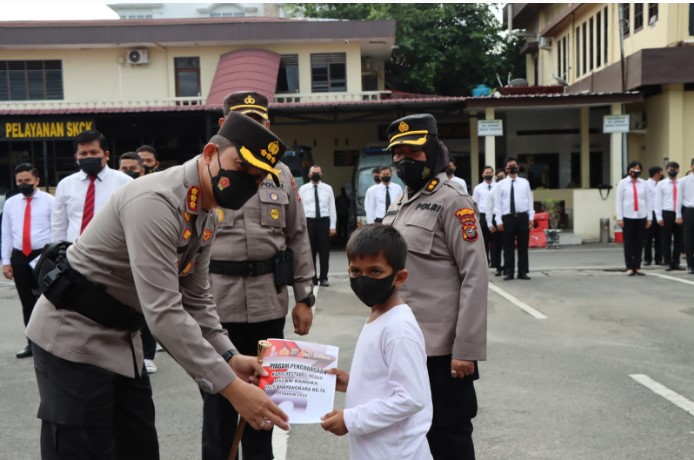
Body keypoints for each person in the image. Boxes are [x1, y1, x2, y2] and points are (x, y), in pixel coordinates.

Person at [25, 112, 290, 460]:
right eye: (241, 167)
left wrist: (229, 356)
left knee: (139, 448)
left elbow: (196, 299)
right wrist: (231, 388)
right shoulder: (156, 201)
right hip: (73, 340)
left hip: (122, 343)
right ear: (210, 153)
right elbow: (164, 312)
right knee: (85, 449)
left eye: (257, 178)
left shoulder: (206, 213)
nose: (247, 183)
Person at [202, 91, 315, 460]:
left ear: (269, 126)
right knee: (219, 401)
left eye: (260, 121)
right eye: (243, 120)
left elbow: (297, 236)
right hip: (217, 305)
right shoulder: (207, 168)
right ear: (223, 126)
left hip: (269, 300)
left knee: (265, 401)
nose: (255, 128)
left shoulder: (281, 173)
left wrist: (303, 298)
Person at [382, 113, 488, 460]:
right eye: (397, 154)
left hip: (443, 353)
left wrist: (465, 348)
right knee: (412, 436)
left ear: (433, 150)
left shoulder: (453, 201)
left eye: (412, 153)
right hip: (405, 347)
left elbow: (474, 275)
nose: (402, 161)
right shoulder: (399, 204)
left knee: (450, 438)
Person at [321, 224, 432, 460]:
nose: (364, 280)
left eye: (375, 272)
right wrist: (354, 383)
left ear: (399, 277)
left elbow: (410, 398)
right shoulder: (379, 314)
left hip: (396, 453)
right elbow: (389, 382)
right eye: (355, 272)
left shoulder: (399, 328)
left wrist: (350, 419)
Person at [1, 163, 54, 358]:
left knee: (47, 301)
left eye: (27, 181)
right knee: (27, 302)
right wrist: (6, 261)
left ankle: (50, 343)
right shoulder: (11, 203)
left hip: (43, 255)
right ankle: (32, 343)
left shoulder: (50, 201)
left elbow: (55, 230)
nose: (23, 184)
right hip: (20, 257)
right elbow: (6, 233)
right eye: (20, 181)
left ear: (37, 181)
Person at [51, 130, 133, 243]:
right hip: (73, 253)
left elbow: (132, 223)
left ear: (106, 155)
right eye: (83, 154)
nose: (89, 157)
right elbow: (58, 226)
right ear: (76, 157)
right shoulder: (65, 185)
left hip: (111, 253)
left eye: (94, 152)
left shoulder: (125, 183)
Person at [118, 151, 159, 374]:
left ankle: (149, 354)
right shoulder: (117, 191)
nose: (128, 172)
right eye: (123, 169)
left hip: (145, 256)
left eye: (132, 169)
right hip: (121, 258)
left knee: (148, 307)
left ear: (142, 170)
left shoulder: (153, 191)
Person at [494, 157, 535, 281]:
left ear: (518, 167)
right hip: (507, 218)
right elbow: (498, 204)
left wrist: (531, 217)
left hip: (522, 216)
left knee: (523, 246)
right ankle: (509, 272)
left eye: (514, 165)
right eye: (509, 166)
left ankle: (523, 272)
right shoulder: (500, 184)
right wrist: (499, 221)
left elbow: (529, 200)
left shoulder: (524, 182)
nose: (512, 168)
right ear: (506, 168)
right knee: (508, 247)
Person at [299, 165, 336, 286]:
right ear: (309, 175)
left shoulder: (327, 188)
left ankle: (323, 277)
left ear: (322, 174)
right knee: (310, 252)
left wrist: (333, 226)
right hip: (309, 222)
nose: (316, 174)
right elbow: (300, 209)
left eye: (318, 173)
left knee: (324, 252)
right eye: (313, 173)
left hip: (324, 222)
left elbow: (332, 208)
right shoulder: (303, 189)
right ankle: (312, 277)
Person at [616, 161, 652, 276]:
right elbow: (619, 201)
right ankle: (629, 266)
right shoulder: (623, 183)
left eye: (638, 169)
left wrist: (649, 218)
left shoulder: (644, 184)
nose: (635, 171)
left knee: (639, 242)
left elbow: (648, 201)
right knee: (629, 242)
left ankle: (637, 266)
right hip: (628, 216)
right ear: (629, 170)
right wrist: (619, 218)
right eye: (633, 168)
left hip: (641, 216)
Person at [655, 161, 684, 271]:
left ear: (678, 170)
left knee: (679, 239)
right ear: (667, 170)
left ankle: (676, 262)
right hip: (667, 213)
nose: (673, 171)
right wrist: (659, 217)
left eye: (675, 169)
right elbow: (657, 201)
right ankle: (667, 262)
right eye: (671, 169)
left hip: (679, 214)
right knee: (666, 239)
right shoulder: (661, 184)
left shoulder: (681, 183)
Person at [472, 166, 495, 266]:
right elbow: (475, 203)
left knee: (495, 241)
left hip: (495, 215)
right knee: (484, 241)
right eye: (486, 172)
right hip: (482, 215)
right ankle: (486, 262)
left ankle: (495, 262)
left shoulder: (498, 186)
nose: (488, 174)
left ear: (493, 174)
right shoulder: (478, 188)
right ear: (482, 174)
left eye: (490, 172)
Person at [643, 166, 663, 266]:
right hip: (649, 213)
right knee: (648, 238)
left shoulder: (661, 184)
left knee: (660, 237)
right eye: (660, 173)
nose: (661, 175)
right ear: (655, 174)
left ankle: (659, 258)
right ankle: (647, 258)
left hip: (659, 213)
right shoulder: (645, 185)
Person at [680, 158, 694, 274]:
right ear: (692, 166)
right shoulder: (684, 180)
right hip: (690, 211)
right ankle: (690, 265)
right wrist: (678, 215)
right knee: (689, 239)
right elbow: (679, 199)